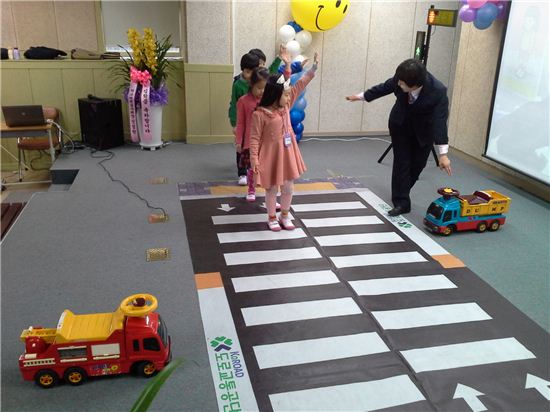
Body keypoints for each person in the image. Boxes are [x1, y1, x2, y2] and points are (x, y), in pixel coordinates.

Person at [346, 58, 452, 216]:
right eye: (399, 81)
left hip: (424, 131)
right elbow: (384, 87)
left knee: (417, 165)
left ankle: (402, 190)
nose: (399, 84)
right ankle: (401, 203)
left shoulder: (438, 91)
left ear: (415, 85)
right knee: (401, 163)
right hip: (400, 125)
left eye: (403, 84)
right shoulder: (402, 77)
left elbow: (440, 121)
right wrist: (362, 96)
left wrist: (443, 154)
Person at [250, 52, 319, 231]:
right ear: (275, 94)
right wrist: (254, 159)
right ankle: (272, 217)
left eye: (289, 95)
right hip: (271, 156)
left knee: (288, 187)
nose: (289, 98)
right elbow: (254, 138)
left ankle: (285, 215)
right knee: (272, 189)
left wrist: (313, 69)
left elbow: (300, 84)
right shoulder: (259, 114)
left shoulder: (286, 105)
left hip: (287, 154)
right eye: (286, 95)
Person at [235, 54, 292, 203]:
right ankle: (251, 188)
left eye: (264, 88)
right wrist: (239, 141)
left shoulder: (269, 101)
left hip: (267, 143)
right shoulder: (243, 101)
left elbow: (284, 84)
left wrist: (287, 66)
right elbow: (240, 123)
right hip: (251, 141)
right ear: (251, 85)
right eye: (259, 88)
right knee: (252, 167)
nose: (262, 91)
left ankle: (273, 193)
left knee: (271, 168)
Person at [229, 52, 260, 185]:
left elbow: (271, 71)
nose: (250, 75)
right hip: (242, 122)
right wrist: (234, 124)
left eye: (253, 72)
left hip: (256, 123)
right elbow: (233, 105)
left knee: (254, 146)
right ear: (242, 70)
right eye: (247, 72)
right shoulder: (238, 85)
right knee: (241, 146)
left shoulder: (258, 83)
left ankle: (253, 170)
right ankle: (242, 173)